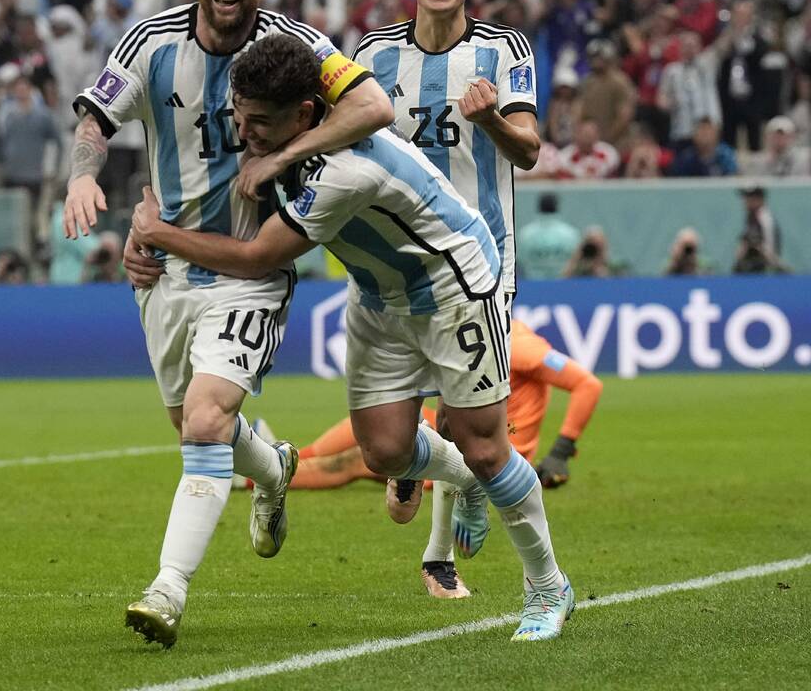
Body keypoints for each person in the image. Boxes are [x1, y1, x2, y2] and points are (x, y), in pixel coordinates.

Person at [131, 34, 573, 642]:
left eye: (260, 122)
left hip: (452, 285)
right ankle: (463, 479)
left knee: (487, 446)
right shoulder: (279, 131)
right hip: (376, 294)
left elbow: (260, 257)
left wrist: (157, 233)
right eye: (241, 114)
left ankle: (547, 586)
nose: (245, 131)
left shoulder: (344, 170)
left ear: (305, 115)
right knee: (385, 452)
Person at [63, 0, 395, 648]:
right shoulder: (150, 42)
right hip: (163, 269)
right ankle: (273, 467)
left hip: (254, 267)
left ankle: (166, 591)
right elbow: (93, 123)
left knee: (207, 423)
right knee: (193, 427)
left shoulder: (300, 47)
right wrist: (80, 183)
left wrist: (280, 158)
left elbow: (374, 105)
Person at [279, 318, 602, 598]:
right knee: (371, 433)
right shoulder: (488, 331)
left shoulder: (515, 344)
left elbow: (588, 384)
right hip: (467, 424)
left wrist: (561, 451)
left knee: (358, 459)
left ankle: (267, 470)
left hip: (493, 448)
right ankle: (277, 458)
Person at [345, 0, 541, 309]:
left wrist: (490, 120)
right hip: (394, 263)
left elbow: (529, 151)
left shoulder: (505, 48)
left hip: (480, 263)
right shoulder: (373, 52)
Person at [517, 193, 580, 280]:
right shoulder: (571, 234)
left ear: (539, 207)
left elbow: (521, 261)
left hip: (533, 286)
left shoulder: (525, 234)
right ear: (557, 207)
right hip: (563, 285)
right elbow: (575, 261)